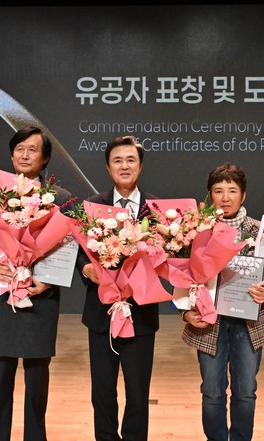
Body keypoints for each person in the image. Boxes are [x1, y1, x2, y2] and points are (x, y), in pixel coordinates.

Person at [0, 126, 73, 441]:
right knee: (0, 379)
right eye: (19, 148)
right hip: (0, 295)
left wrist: (48, 281)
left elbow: (68, 247)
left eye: (32, 149)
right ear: (11, 155)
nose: (24, 155)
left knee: (37, 381)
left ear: (45, 158)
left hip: (39, 298)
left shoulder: (59, 198)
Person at [181, 163, 264, 441]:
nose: (225, 197)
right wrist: (186, 313)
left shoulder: (263, 231)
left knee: (245, 391)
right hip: (209, 323)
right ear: (209, 195)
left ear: (243, 195)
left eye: (232, 190)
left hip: (249, 321)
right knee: (212, 391)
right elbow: (184, 277)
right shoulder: (196, 231)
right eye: (218, 190)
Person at [77, 135, 158, 441]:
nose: (124, 166)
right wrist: (86, 269)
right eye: (118, 161)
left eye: (131, 160)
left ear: (141, 166)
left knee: (138, 394)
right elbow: (79, 252)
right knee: (102, 393)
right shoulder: (91, 206)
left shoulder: (156, 209)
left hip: (140, 314)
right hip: (101, 313)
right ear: (108, 168)